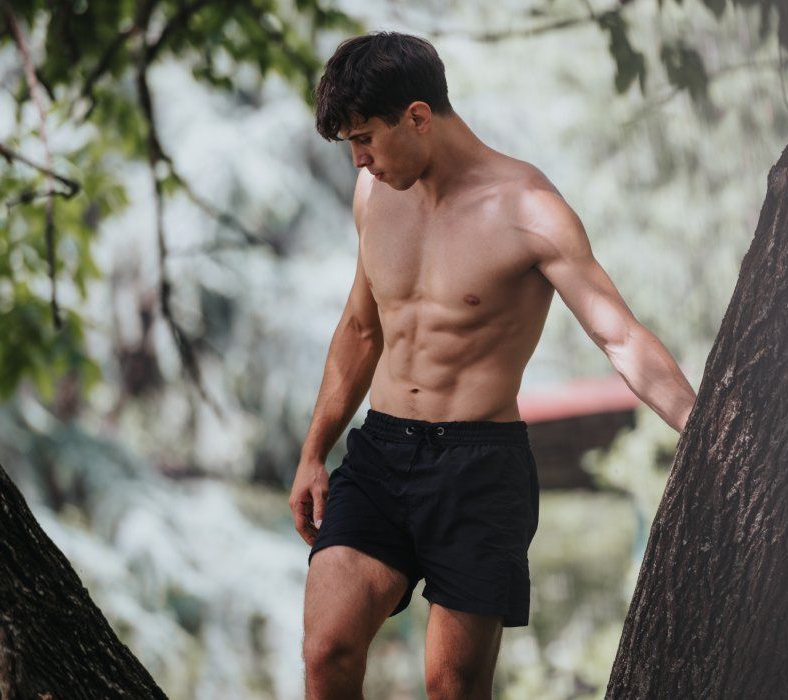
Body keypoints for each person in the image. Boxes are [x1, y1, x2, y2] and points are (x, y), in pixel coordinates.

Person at [288, 31, 697, 699]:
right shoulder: (374, 197)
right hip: (382, 453)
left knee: (451, 686)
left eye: (365, 137)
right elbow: (362, 329)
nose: (358, 160)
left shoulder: (527, 210)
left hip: (480, 468)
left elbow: (619, 337)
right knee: (326, 652)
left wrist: (706, 434)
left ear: (417, 116)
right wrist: (314, 453)